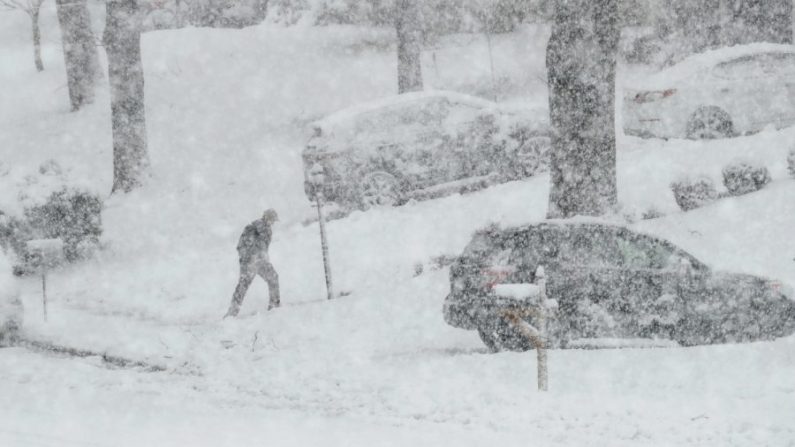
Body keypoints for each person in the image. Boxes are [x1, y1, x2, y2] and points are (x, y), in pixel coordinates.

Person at [225, 209, 280, 318]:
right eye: (273, 220)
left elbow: (241, 246)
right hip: (254, 261)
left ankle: (232, 312)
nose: (273, 223)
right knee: (271, 278)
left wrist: (246, 258)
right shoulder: (260, 228)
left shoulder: (254, 227)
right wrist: (254, 257)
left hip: (252, 261)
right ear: (268, 218)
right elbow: (253, 246)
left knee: (243, 286)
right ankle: (274, 306)